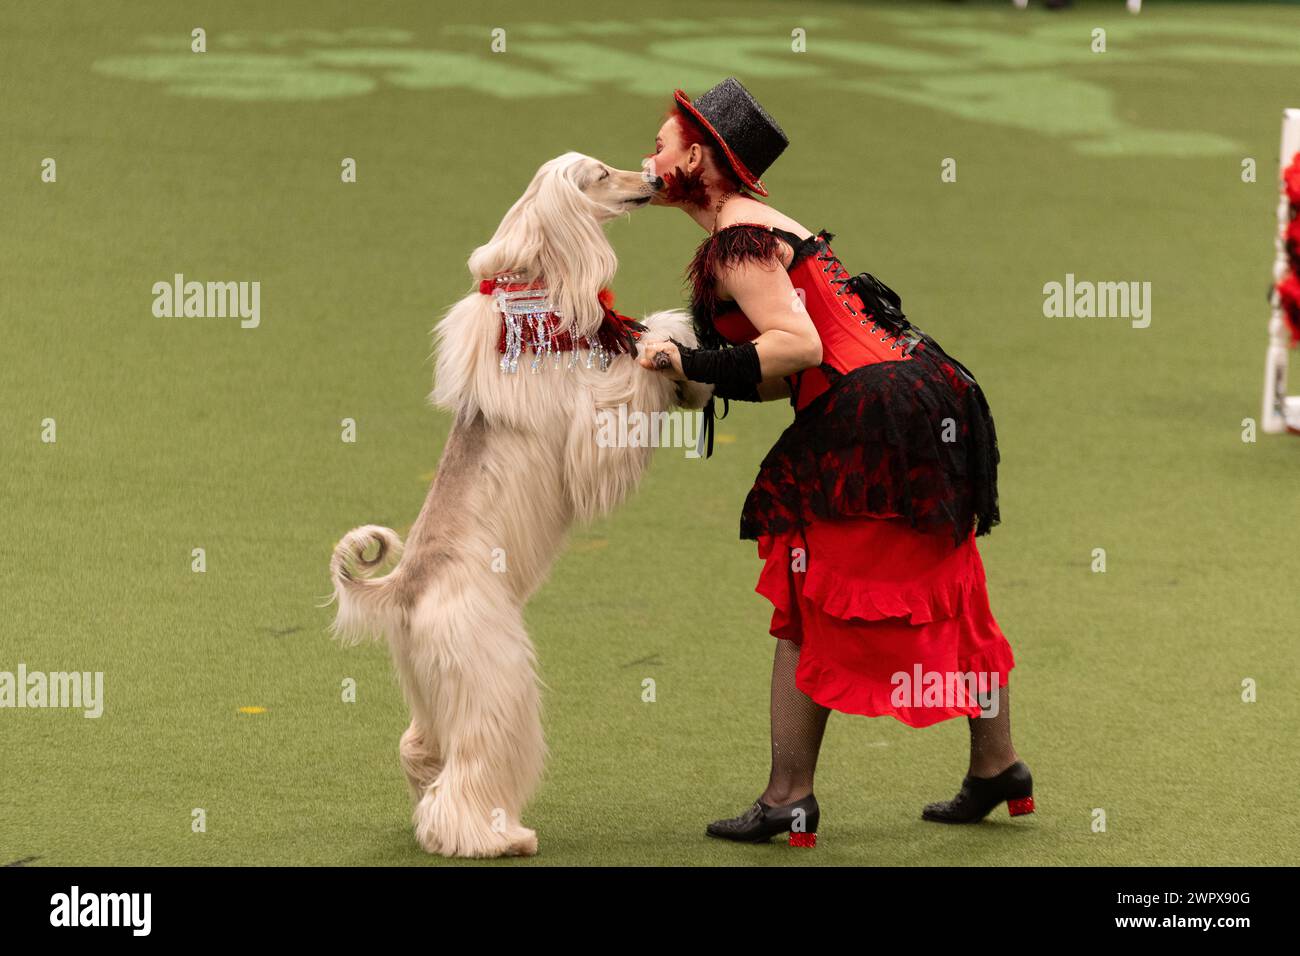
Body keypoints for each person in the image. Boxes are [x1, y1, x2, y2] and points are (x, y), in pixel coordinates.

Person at [637, 77, 1034, 846]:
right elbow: (788, 374)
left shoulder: (736, 240)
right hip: (921, 393)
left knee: (806, 598)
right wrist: (694, 374)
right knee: (951, 588)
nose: (649, 158)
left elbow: (799, 348)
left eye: (660, 144)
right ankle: (998, 767)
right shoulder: (758, 226)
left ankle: (789, 796)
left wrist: (690, 358)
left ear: (700, 156)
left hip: (875, 413)